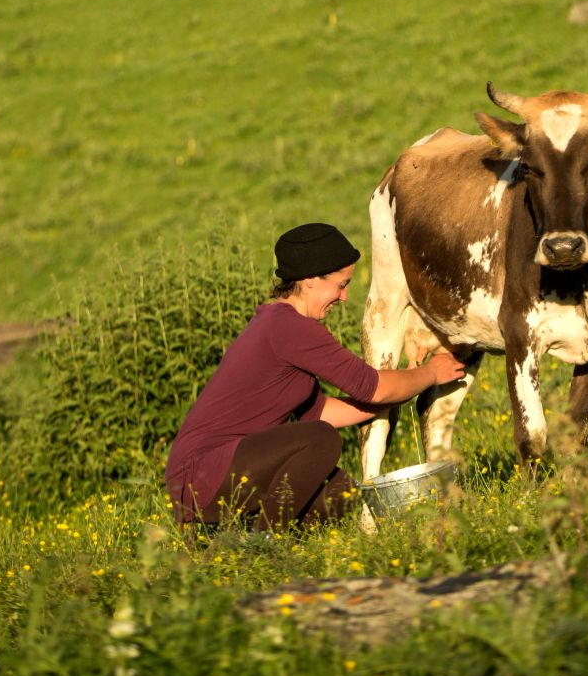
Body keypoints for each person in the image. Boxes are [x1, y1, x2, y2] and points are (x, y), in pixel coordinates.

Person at [164, 220, 465, 531]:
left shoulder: (278, 324)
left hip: (220, 472)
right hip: (201, 474)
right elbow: (371, 387)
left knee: (342, 492)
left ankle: (238, 539)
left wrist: (406, 385)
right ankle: (263, 543)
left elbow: (321, 411)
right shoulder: (291, 328)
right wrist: (430, 374)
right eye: (341, 285)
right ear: (309, 280)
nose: (345, 297)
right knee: (320, 439)